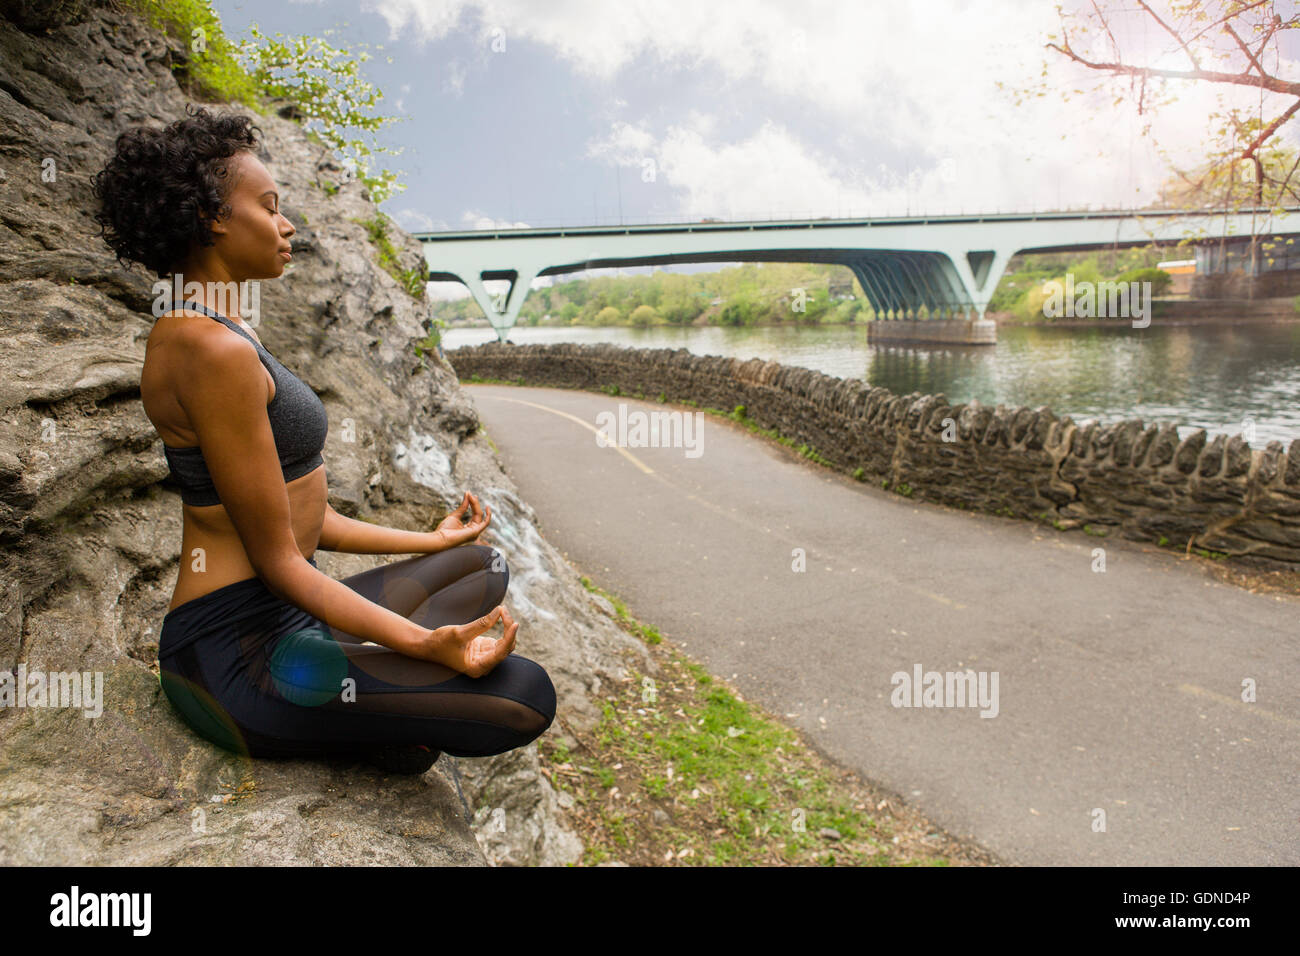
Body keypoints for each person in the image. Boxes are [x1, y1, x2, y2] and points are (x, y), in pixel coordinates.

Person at [91, 104, 556, 774]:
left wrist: (432, 540)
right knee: (523, 697)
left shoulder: (229, 333)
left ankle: (366, 706)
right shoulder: (204, 350)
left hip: (292, 612)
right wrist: (426, 647)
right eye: (271, 207)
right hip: (237, 655)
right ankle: (355, 714)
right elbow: (281, 561)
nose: (288, 226)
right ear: (214, 219)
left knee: (478, 567)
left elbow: (314, 520)